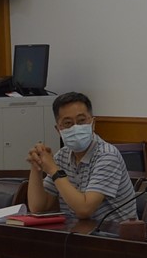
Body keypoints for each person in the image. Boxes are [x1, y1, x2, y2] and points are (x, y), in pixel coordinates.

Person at [25, 92, 137, 224]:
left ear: (93, 123)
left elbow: (85, 209)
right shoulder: (62, 156)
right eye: (68, 123)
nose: (76, 127)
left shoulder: (107, 155)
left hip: (114, 233)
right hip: (78, 232)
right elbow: (37, 208)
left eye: (81, 121)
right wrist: (36, 166)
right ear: (58, 130)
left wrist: (54, 170)